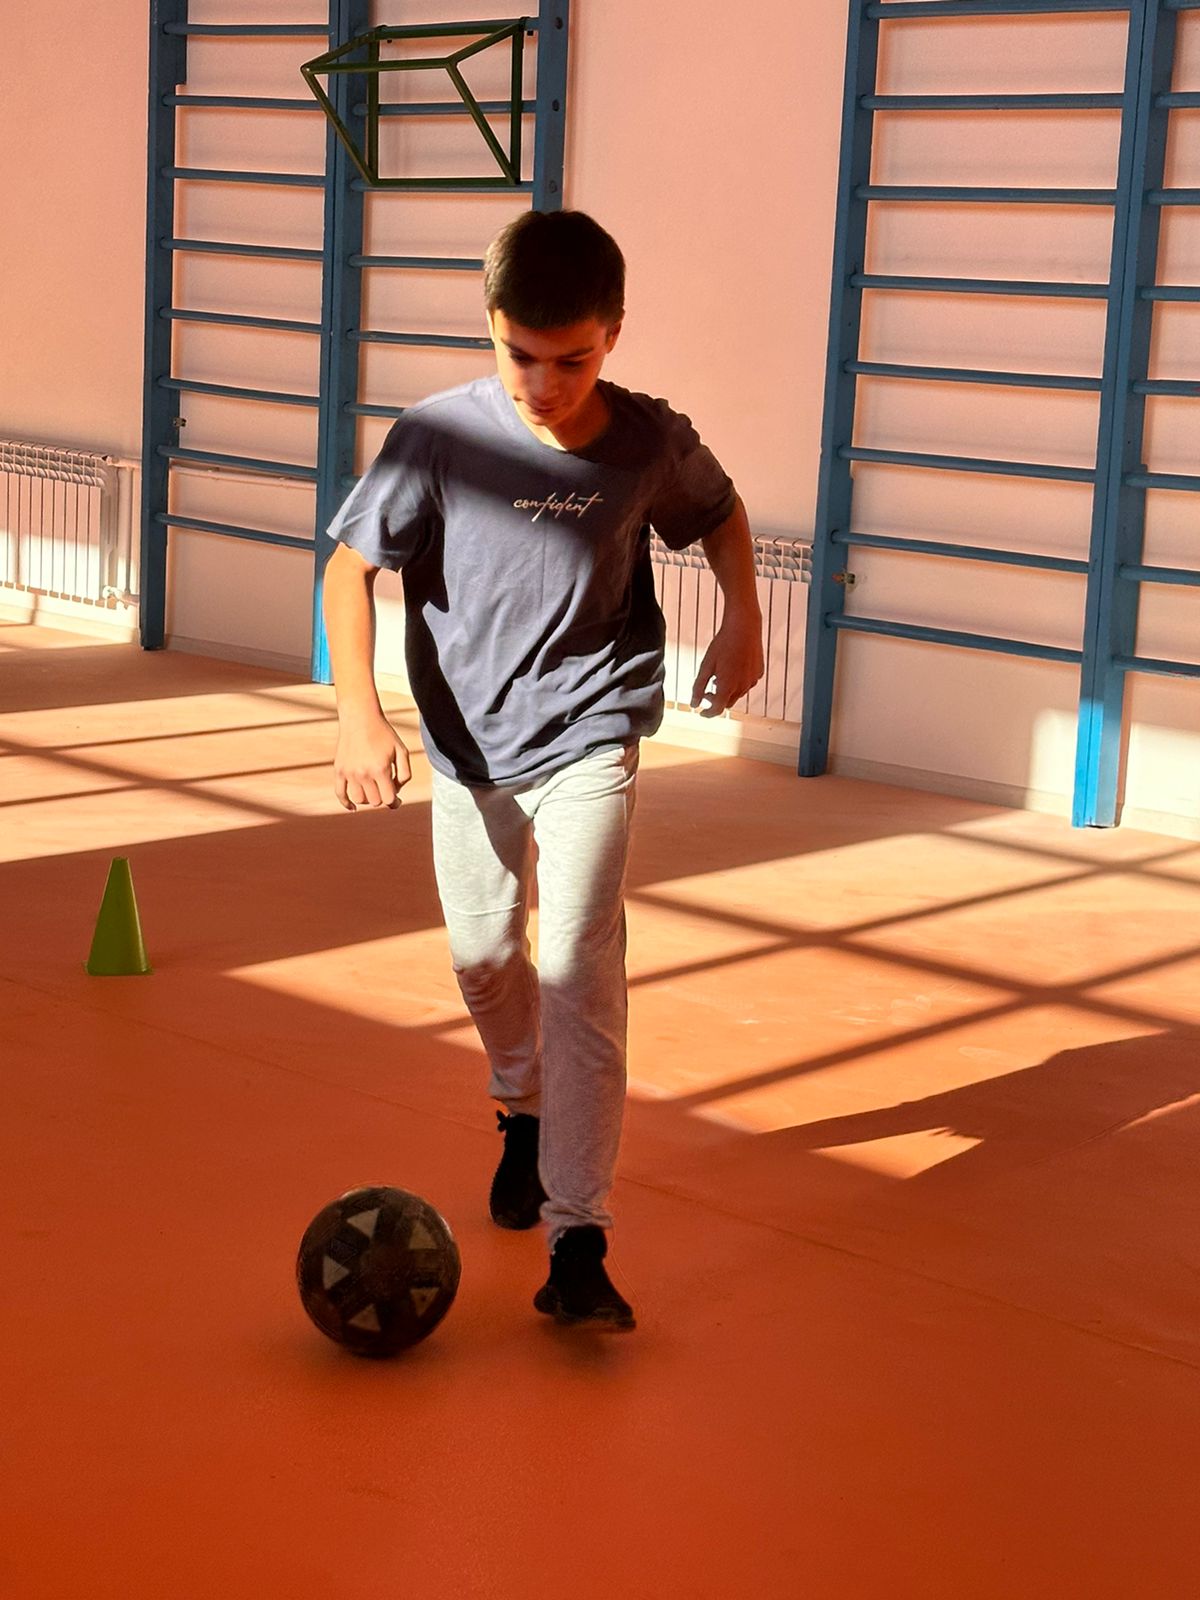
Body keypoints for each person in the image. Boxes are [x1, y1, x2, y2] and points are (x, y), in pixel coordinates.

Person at [322, 209, 763, 1331]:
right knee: (483, 958)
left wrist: (745, 617)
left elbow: (718, 514)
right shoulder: (438, 438)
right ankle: (520, 1105)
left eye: (573, 359)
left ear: (613, 335)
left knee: (575, 968)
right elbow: (348, 571)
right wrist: (358, 713)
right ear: (491, 326)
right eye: (523, 355)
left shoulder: (647, 440)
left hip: (593, 728)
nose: (546, 383)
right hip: (468, 744)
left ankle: (579, 1239)